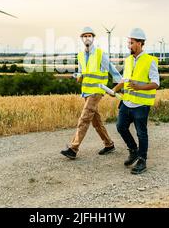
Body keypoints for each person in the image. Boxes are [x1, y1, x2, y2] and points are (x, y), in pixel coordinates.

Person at [61, 27, 122, 159]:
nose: (87, 38)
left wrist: (121, 85)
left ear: (93, 38)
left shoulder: (100, 53)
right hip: (86, 92)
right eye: (84, 36)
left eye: (89, 35)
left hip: (97, 90)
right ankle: (109, 144)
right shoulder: (81, 55)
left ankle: (73, 148)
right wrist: (78, 76)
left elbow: (112, 69)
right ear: (82, 39)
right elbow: (82, 73)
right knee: (96, 121)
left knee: (84, 118)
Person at [112, 28, 159, 175]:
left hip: (141, 105)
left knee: (141, 133)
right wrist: (113, 90)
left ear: (139, 43)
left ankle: (142, 160)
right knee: (121, 127)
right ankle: (133, 151)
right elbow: (125, 80)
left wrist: (139, 87)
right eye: (128, 42)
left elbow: (156, 83)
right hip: (127, 103)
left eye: (131, 43)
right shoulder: (128, 60)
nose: (128, 45)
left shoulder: (150, 61)